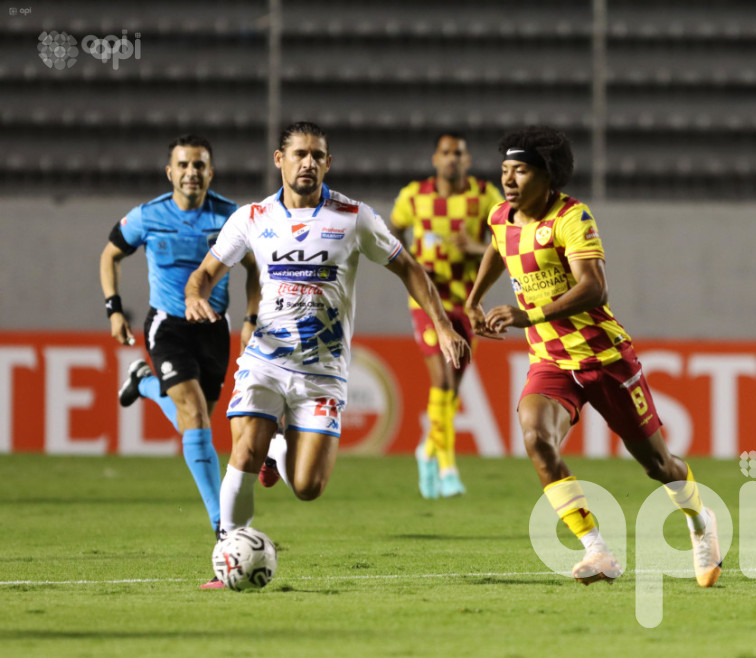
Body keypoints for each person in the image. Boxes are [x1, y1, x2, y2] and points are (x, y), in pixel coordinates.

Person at [184, 121, 470, 581]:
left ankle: (279, 451)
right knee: (244, 448)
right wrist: (195, 295)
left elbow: (410, 268)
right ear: (280, 159)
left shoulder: (354, 217)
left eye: (318, 155)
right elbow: (205, 272)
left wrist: (442, 325)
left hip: (322, 372)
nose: (308, 163)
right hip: (265, 361)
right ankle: (227, 555)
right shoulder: (252, 218)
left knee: (308, 487)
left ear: (328, 163)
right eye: (299, 154)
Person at [464, 125, 721, 587]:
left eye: (520, 170)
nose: (508, 179)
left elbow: (594, 287)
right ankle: (596, 550)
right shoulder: (502, 216)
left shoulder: (571, 217)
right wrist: (474, 298)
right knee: (537, 437)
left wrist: (528, 314)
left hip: (604, 358)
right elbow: (498, 249)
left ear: (548, 176)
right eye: (504, 169)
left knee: (658, 466)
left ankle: (701, 522)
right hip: (551, 362)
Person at [99, 134, 261, 589]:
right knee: (194, 416)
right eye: (184, 165)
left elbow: (255, 268)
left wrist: (250, 317)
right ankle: (223, 528)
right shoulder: (147, 216)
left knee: (199, 425)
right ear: (170, 172)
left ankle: (145, 383)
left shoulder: (231, 215)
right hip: (166, 326)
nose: (192, 172)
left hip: (214, 330)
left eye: (200, 165)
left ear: (211, 172)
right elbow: (111, 254)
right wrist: (114, 309)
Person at [390, 132, 503, 499]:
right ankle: (448, 467)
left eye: (459, 153)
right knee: (442, 380)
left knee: (452, 387)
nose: (452, 159)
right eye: (446, 153)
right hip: (428, 301)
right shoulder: (413, 196)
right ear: (435, 159)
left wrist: (476, 247)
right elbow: (393, 233)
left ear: (467, 161)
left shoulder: (485, 195)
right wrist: (411, 264)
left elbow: (508, 238)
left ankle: (427, 450)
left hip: (467, 299)